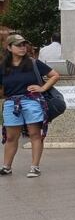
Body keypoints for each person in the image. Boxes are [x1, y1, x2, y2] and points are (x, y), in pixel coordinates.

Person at [0, 34, 60, 178]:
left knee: (35, 134)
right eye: (18, 45)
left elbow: (55, 75)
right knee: (11, 137)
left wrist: (43, 88)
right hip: (11, 103)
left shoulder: (33, 63)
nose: (22, 48)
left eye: (23, 45)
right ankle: (6, 166)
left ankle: (35, 167)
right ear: (9, 47)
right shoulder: (3, 66)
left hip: (32, 101)